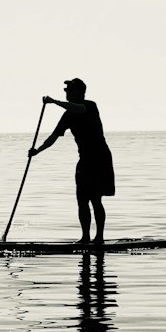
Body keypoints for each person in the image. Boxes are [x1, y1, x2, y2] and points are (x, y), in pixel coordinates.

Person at [29, 78, 116, 247]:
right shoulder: (67, 115)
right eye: (65, 90)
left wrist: (54, 102)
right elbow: (54, 137)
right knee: (81, 199)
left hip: (100, 158)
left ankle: (99, 238)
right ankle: (85, 238)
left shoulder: (90, 105)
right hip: (84, 160)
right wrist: (37, 151)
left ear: (79, 92)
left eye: (69, 90)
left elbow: (78, 108)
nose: (66, 93)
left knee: (96, 199)